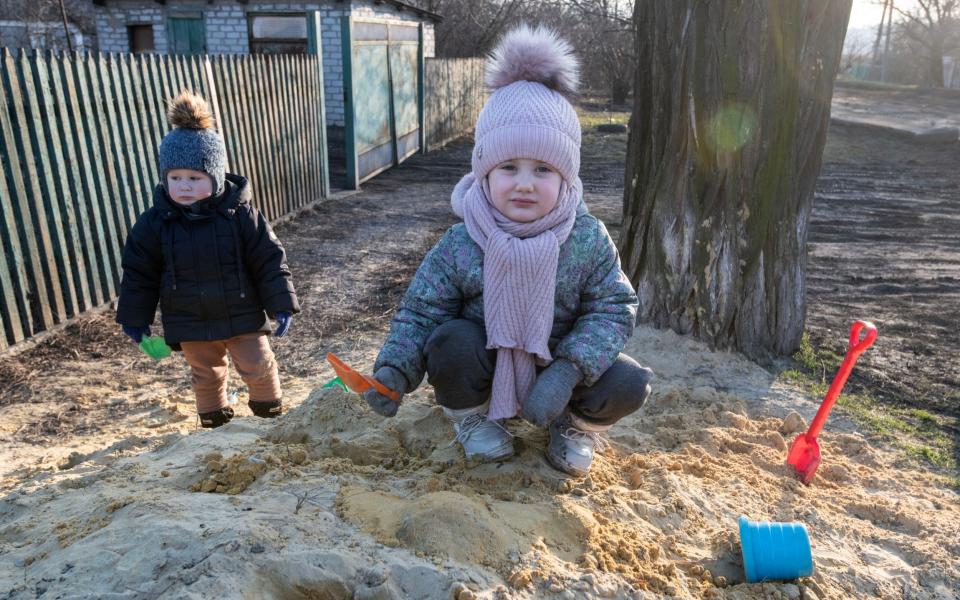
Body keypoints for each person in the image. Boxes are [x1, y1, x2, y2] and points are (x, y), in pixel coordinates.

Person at [362, 25, 652, 476]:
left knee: (630, 382)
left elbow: (614, 307)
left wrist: (568, 370)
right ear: (484, 172)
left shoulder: (587, 238)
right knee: (449, 341)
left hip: (560, 368)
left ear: (566, 179)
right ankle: (473, 417)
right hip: (486, 363)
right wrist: (395, 370)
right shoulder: (462, 241)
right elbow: (421, 312)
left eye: (542, 169)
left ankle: (572, 427)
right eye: (508, 167)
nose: (524, 183)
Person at [116, 91, 299, 428]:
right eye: (175, 178)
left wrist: (281, 303)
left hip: (242, 313)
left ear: (215, 178)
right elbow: (139, 273)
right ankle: (216, 425)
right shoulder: (155, 223)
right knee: (205, 375)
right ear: (164, 178)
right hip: (190, 319)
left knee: (258, 365)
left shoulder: (240, 215)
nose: (184, 186)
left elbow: (269, 259)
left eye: (195, 178)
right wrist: (134, 316)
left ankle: (270, 417)